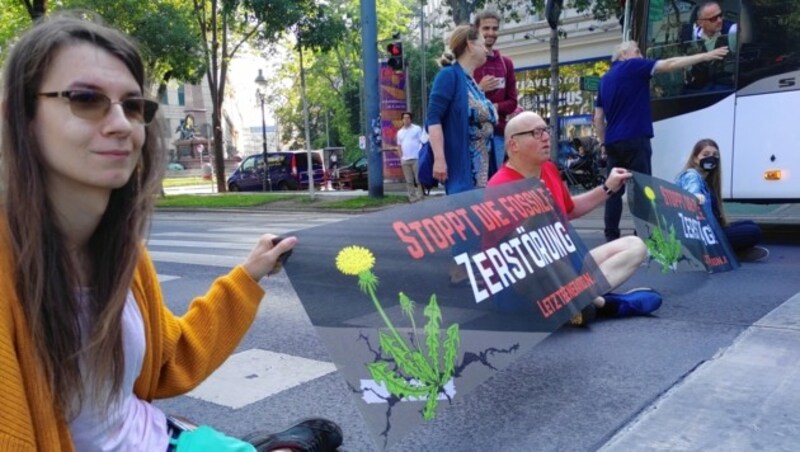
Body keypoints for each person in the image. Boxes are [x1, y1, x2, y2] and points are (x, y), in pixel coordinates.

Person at [0, 13, 342, 451]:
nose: (122, 124)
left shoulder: (125, 253)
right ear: (20, 116)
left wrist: (248, 276)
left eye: (133, 105)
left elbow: (171, 359)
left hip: (159, 437)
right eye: (86, 99)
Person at [489, 112, 663, 325]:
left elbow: (569, 209)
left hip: (563, 267)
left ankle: (581, 302)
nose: (546, 137)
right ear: (513, 145)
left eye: (546, 130)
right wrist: (536, 210)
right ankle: (602, 304)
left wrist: (608, 187)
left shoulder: (549, 169)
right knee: (539, 253)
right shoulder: (499, 187)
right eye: (536, 132)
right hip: (524, 283)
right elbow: (511, 252)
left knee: (635, 246)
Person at [593, 40, 729, 242]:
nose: (641, 55)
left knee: (613, 190)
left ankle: (611, 236)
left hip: (614, 141)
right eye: (637, 51)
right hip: (636, 137)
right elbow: (670, 64)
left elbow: (597, 118)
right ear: (623, 55)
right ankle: (645, 236)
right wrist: (705, 56)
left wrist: (604, 143)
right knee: (643, 188)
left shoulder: (604, 80)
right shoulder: (633, 66)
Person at [427, 24, 496, 195]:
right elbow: (433, 119)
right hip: (464, 166)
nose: (486, 51)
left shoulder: (472, 82)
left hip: (484, 166)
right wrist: (439, 159)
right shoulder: (448, 75)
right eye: (482, 45)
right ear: (470, 46)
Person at [676, 139, 769, 262]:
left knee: (750, 224)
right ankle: (717, 254)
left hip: (711, 230)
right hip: (700, 237)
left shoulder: (707, 179)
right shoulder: (691, 175)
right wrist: (696, 197)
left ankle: (728, 253)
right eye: (705, 155)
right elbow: (692, 191)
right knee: (752, 231)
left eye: (715, 155)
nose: (711, 158)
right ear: (695, 158)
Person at [473, 10, 518, 178]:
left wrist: (495, 106)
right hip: (473, 136)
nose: (491, 33)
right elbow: (460, 99)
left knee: (496, 183)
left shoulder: (506, 64)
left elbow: (513, 102)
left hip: (498, 133)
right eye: (486, 28)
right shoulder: (468, 61)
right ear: (477, 30)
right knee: (477, 184)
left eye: (494, 28)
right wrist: (479, 88)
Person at [684, 1, 737, 91]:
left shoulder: (732, 31)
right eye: (713, 19)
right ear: (700, 23)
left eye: (720, 15)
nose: (719, 20)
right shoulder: (692, 36)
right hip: (702, 87)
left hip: (727, 87)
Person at [396, 112, 425, 202]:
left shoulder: (417, 129)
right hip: (405, 159)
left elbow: (422, 141)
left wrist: (420, 153)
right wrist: (401, 157)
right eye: (404, 118)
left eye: (408, 118)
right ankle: (412, 197)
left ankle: (420, 196)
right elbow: (399, 146)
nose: (406, 120)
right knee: (409, 180)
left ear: (411, 119)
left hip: (416, 157)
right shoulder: (400, 132)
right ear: (402, 120)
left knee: (418, 178)